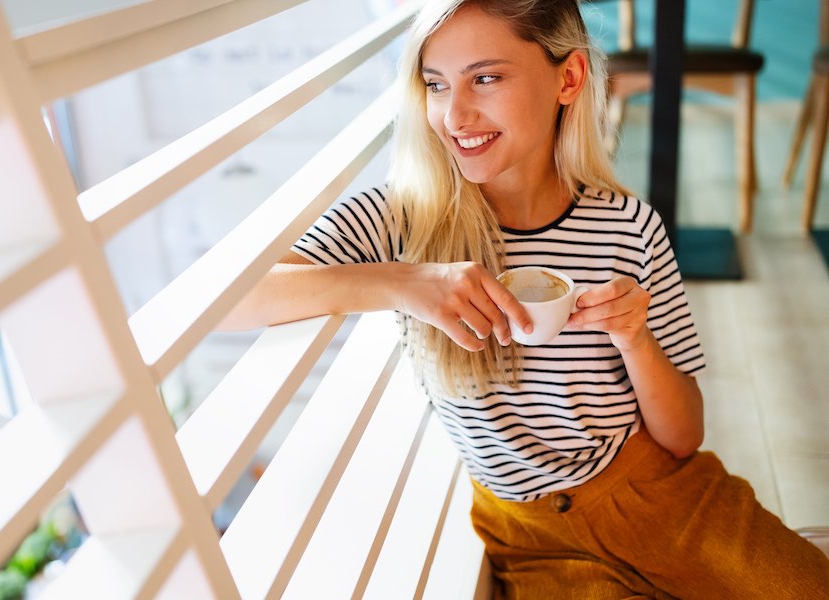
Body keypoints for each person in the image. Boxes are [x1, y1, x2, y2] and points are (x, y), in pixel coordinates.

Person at [221, 0, 829, 597]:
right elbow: (230, 301)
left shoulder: (629, 227)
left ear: (568, 78)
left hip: (659, 495)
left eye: (485, 78)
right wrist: (403, 284)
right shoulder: (402, 220)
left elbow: (683, 437)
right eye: (436, 84)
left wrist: (636, 339)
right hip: (530, 537)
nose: (455, 114)